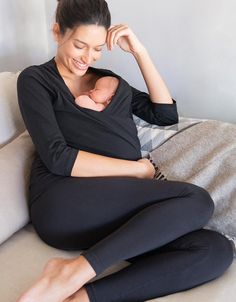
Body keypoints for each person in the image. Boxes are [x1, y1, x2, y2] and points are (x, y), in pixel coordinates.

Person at [16, 0, 233, 302]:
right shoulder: (35, 80)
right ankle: (72, 272)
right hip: (63, 200)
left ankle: (83, 297)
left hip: (114, 207)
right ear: (57, 32)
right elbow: (58, 157)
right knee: (196, 199)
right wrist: (136, 170)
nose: (87, 57)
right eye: (80, 45)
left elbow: (165, 115)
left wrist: (139, 52)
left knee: (215, 250)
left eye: (96, 48)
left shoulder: (110, 83)